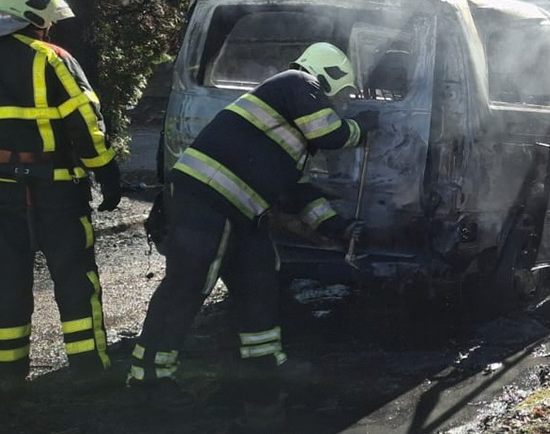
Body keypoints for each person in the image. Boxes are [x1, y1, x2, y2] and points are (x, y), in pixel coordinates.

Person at [128, 42, 378, 407]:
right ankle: (149, 377)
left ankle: (263, 365)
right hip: (206, 200)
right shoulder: (295, 81)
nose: (339, 104)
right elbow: (331, 133)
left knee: (259, 277)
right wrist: (359, 129)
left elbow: (296, 193)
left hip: (239, 211)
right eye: (340, 95)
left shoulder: (290, 133)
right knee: (189, 285)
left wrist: (337, 227)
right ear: (327, 76)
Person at [0, 0, 124, 398]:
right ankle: (89, 369)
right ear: (33, 14)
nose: (50, 26)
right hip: (56, 190)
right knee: (75, 277)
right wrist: (107, 172)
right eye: (48, 19)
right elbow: (85, 122)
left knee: (5, 278)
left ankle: (7, 376)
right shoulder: (52, 59)